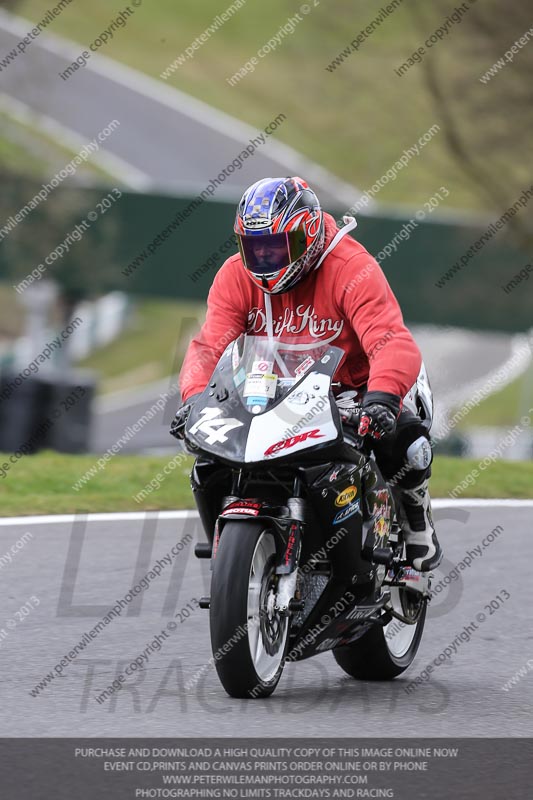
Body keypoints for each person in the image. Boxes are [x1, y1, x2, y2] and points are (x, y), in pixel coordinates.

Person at [172, 176, 442, 572]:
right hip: (268, 390)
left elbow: (389, 339)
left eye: (278, 247)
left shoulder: (352, 268)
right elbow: (209, 346)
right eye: (255, 248)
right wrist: (195, 397)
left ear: (308, 234)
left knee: (407, 443)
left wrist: (382, 397)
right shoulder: (234, 276)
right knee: (209, 461)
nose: (266, 260)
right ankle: (231, 546)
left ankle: (415, 511)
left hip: (351, 387)